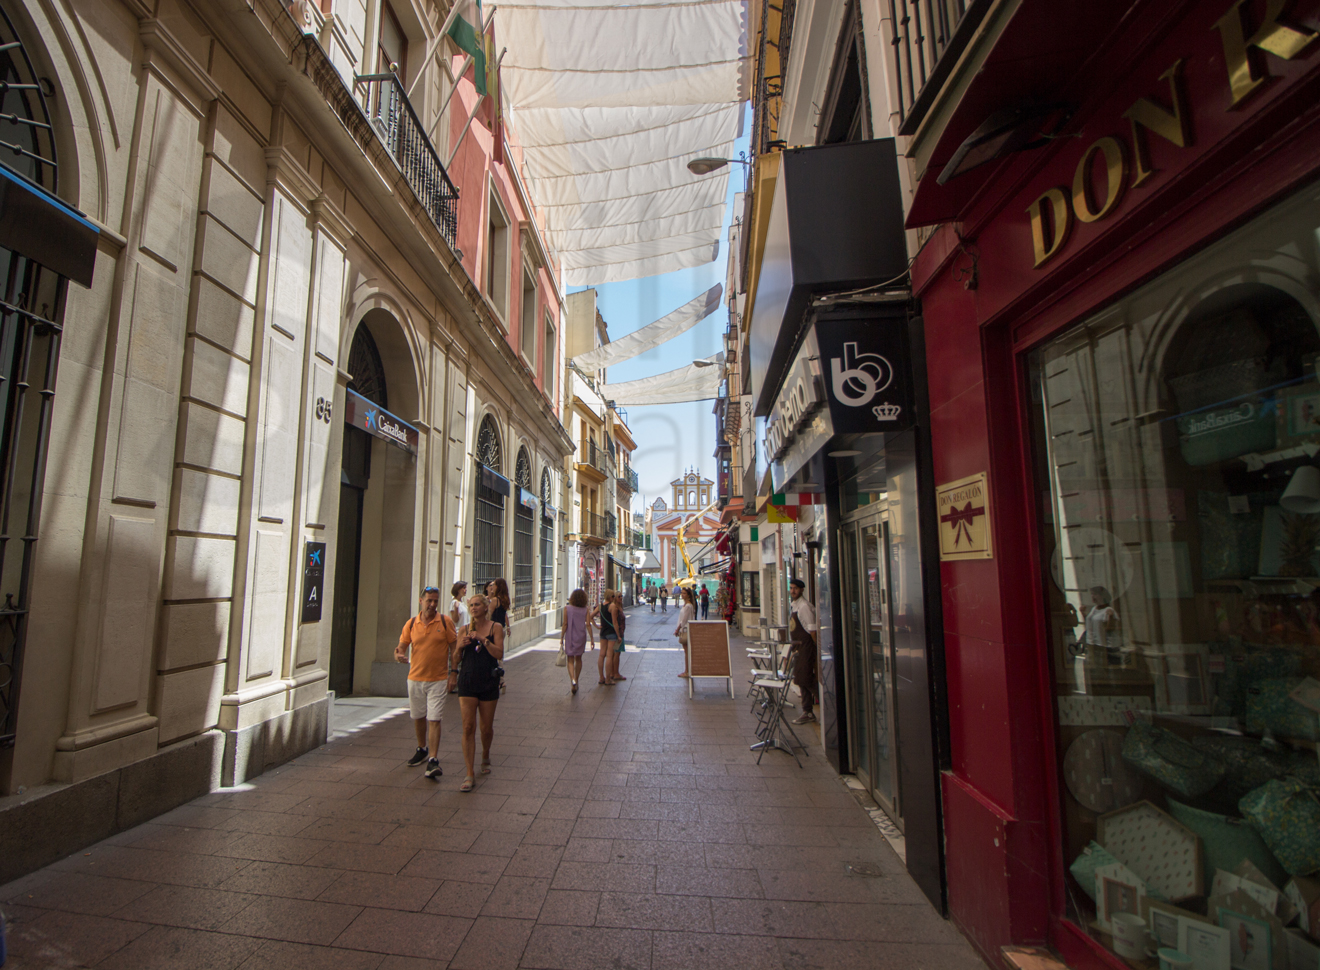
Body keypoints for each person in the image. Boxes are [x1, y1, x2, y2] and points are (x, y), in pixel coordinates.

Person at [394, 585, 458, 779]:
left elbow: (455, 650)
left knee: (434, 719)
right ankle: (422, 748)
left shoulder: (446, 622)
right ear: (421, 601)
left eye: (436, 601)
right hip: (415, 679)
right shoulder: (411, 623)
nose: (432, 604)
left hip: (438, 679)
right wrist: (399, 656)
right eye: (429, 600)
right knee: (418, 717)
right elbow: (400, 648)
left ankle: (433, 759)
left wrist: (453, 673)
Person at [453, 592, 504, 791]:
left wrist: (484, 640)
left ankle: (485, 754)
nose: (473, 608)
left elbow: (499, 653)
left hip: (488, 680)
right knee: (467, 727)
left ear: (485, 607)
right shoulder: (463, 630)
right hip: (467, 680)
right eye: (471, 605)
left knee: (486, 728)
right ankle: (469, 773)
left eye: (477, 605)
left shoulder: (495, 628)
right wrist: (459, 647)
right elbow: (456, 657)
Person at [788, 578, 818, 724]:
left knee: (805, 678)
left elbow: (812, 630)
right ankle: (808, 711)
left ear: (802, 590)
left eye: (795, 588)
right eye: (791, 588)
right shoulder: (795, 605)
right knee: (801, 679)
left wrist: (816, 647)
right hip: (798, 648)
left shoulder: (804, 607)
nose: (792, 591)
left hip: (806, 647)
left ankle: (827, 700)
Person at [561, 588, 593, 694]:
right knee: (578, 658)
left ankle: (572, 680)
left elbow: (565, 624)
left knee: (570, 658)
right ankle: (577, 680)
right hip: (581, 636)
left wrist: (561, 637)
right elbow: (588, 624)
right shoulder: (586, 610)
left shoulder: (567, 608)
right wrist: (592, 639)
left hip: (570, 635)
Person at [1084, 586, 1122, 664]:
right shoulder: (1094, 609)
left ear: (1102, 596)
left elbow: (1110, 628)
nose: (1092, 596)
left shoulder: (1108, 610)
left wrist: (1111, 617)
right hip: (1093, 644)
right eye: (1092, 594)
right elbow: (1090, 623)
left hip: (1104, 646)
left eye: (1095, 594)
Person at [486, 579, 511, 692]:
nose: (492, 587)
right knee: (499, 652)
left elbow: (488, 615)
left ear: (498, 587)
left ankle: (500, 679)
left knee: (495, 653)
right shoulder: (504, 599)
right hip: (502, 628)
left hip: (494, 629)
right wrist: (508, 626)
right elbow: (504, 614)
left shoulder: (495, 600)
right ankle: (500, 680)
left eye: (494, 585)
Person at [597, 589, 620, 685]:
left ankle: (601, 677)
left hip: (603, 633)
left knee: (602, 654)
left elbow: (591, 616)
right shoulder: (612, 606)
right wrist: (618, 635)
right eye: (613, 596)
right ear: (610, 597)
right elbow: (614, 622)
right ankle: (608, 679)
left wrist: (597, 626)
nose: (614, 598)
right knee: (609, 655)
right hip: (611, 633)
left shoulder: (600, 606)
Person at [675, 586, 696, 678]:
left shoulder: (688, 606)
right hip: (685, 629)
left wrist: (677, 629)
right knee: (686, 651)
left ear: (688, 595)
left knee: (687, 652)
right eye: (682, 593)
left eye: (684, 593)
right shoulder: (686, 605)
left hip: (686, 629)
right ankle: (687, 670)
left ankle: (687, 671)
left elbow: (684, 620)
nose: (682, 595)